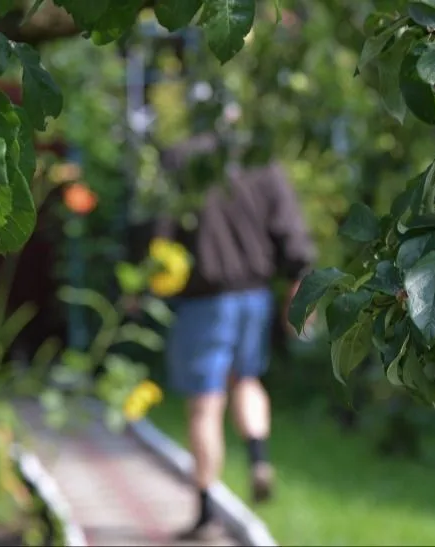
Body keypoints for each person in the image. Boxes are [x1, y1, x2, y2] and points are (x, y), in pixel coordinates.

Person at [149, 120, 316, 541]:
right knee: (247, 379)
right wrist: (297, 283)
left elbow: (160, 233)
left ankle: (206, 512)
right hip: (254, 297)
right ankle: (259, 457)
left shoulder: (181, 159)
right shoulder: (262, 163)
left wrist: (146, 278)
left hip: (204, 300)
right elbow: (292, 234)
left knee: (205, 406)